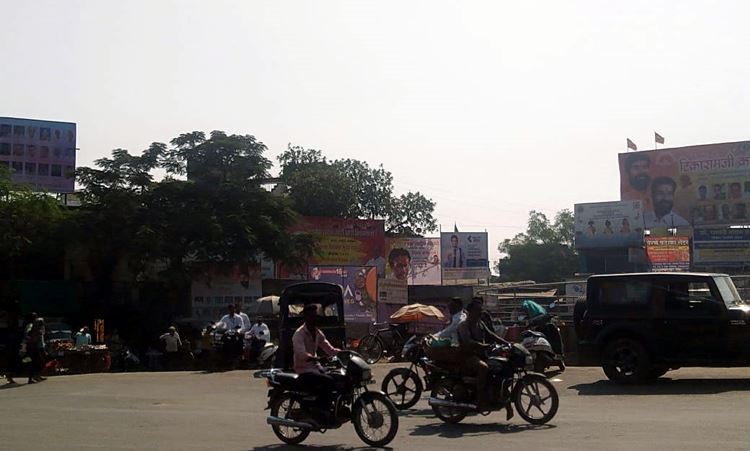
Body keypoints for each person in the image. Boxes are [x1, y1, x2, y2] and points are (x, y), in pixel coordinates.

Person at [292, 304, 341, 424]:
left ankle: (332, 409)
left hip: (316, 367)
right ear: (306, 317)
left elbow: (329, 349)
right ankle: (320, 411)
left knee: (337, 377)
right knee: (328, 381)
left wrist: (343, 353)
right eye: (311, 316)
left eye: (315, 316)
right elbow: (300, 353)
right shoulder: (299, 334)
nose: (313, 319)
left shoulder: (318, 333)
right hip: (304, 370)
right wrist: (315, 358)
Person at [457, 301, 502, 414]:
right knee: (483, 367)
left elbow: (491, 334)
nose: (480, 312)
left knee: (500, 366)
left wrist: (507, 343)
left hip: (482, 354)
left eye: (480, 310)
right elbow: (468, 342)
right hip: (468, 356)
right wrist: (483, 346)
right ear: (470, 311)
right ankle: (481, 399)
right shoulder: (463, 325)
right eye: (477, 310)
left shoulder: (480, 323)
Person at [24, 318, 46, 384]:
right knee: (34, 363)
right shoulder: (32, 329)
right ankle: (32, 378)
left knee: (37, 362)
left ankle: (35, 376)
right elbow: (30, 337)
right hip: (32, 348)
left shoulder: (37, 329)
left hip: (34, 347)